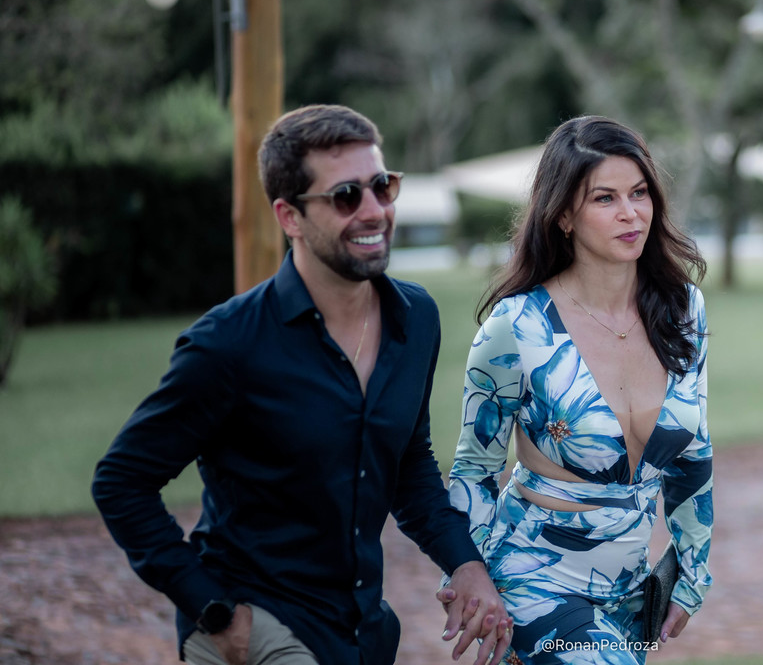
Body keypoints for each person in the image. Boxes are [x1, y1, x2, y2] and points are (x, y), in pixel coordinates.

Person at [92, 104, 511, 665]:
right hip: (258, 623)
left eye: (382, 187)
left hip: (360, 630)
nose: (374, 211)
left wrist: (465, 563)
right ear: (290, 217)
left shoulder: (416, 319)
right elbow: (121, 481)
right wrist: (213, 612)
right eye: (346, 196)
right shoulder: (228, 343)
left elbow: (408, 467)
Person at [443, 116, 713, 663]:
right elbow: (474, 470)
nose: (630, 213)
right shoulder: (516, 327)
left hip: (632, 593)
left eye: (639, 193)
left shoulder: (682, 308)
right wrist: (469, 579)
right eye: (605, 198)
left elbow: (694, 452)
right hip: (534, 579)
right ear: (563, 215)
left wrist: (692, 569)